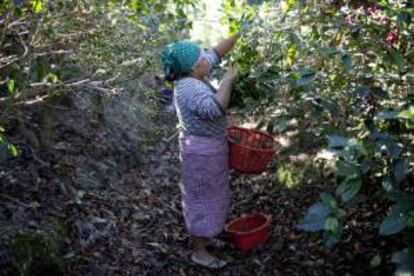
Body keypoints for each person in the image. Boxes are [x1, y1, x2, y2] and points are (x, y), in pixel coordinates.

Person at [161, 34, 239, 269]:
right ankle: (199, 251)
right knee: (201, 197)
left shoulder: (194, 74)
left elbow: (216, 53)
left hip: (211, 151)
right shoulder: (188, 87)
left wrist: (241, 33)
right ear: (195, 66)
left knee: (214, 193)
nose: (208, 57)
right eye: (201, 57)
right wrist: (228, 80)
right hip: (200, 155)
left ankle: (210, 234)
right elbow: (214, 109)